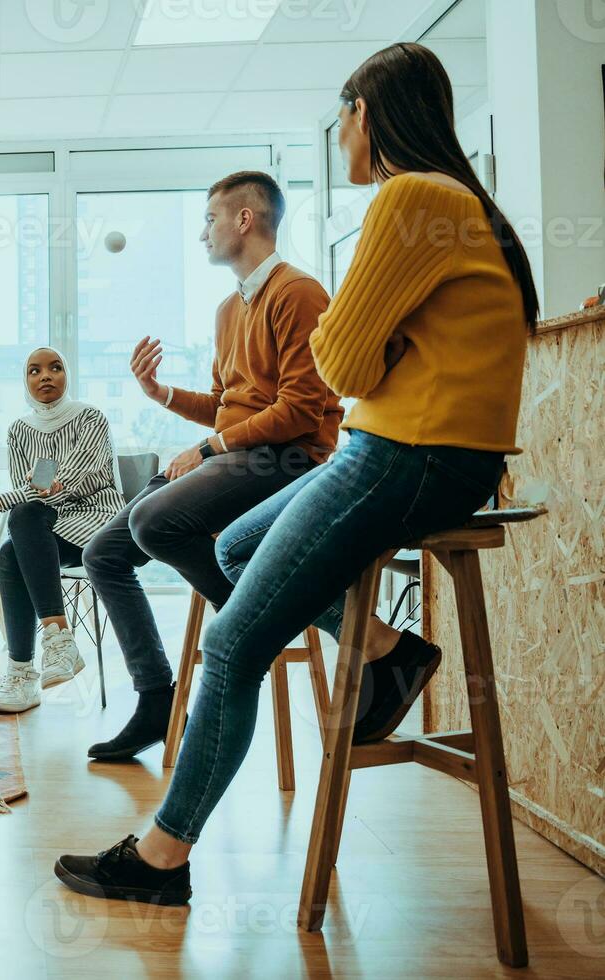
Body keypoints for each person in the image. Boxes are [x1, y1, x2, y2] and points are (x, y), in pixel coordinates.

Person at [54, 42, 539, 906]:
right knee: (237, 544)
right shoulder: (452, 201)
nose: (339, 136)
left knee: (235, 641)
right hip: (426, 453)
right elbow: (360, 358)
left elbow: (342, 366)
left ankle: (163, 858)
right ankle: (389, 653)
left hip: (407, 453)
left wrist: (367, 343)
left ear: (365, 114)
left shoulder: (410, 198)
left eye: (342, 116)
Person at [80, 171, 342, 761]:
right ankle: (156, 700)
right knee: (105, 552)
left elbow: (299, 411)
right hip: (242, 456)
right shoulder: (229, 310)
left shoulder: (299, 293)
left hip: (290, 459)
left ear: (244, 220)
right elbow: (229, 408)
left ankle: (254, 625)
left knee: (155, 524)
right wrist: (161, 394)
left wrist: (206, 450)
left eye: (210, 219)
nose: (203, 233)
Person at [0, 347, 122, 713]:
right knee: (10, 549)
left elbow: (71, 480)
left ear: (67, 375)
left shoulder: (90, 418)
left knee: (23, 523)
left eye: (55, 368)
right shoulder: (19, 430)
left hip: (96, 523)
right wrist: (39, 490)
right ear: (25, 381)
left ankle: (53, 646)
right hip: (48, 528)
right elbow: (33, 495)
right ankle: (25, 671)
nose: (45, 376)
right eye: (34, 371)